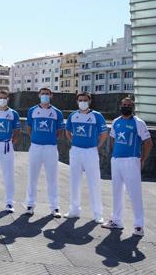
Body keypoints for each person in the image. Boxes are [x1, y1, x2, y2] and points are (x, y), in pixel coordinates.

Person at [102, 97, 153, 237]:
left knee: (134, 194)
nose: (126, 107)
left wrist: (142, 159)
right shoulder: (116, 122)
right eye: (124, 105)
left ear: (133, 107)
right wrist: (114, 154)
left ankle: (138, 225)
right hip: (117, 160)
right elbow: (113, 138)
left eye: (128, 105)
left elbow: (148, 143)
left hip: (131, 160)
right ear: (120, 106)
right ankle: (116, 221)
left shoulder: (138, 123)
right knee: (116, 192)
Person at [64, 92, 107, 223]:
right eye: (80, 100)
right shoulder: (73, 115)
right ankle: (74, 210)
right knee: (74, 181)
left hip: (90, 152)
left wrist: (96, 146)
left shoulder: (97, 116)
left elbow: (104, 134)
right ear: (77, 102)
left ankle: (97, 214)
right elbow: (67, 131)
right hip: (76, 151)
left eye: (85, 100)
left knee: (94, 182)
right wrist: (74, 142)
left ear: (89, 101)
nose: (82, 102)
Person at [25, 87, 65, 218]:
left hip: (51, 148)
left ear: (51, 95)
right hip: (35, 147)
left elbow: (59, 132)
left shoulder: (57, 112)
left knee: (52, 178)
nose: (45, 96)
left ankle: (54, 207)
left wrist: (49, 139)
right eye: (43, 94)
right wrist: (37, 138)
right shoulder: (32, 110)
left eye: (47, 94)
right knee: (32, 177)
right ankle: (30, 205)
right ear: (39, 95)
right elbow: (29, 129)